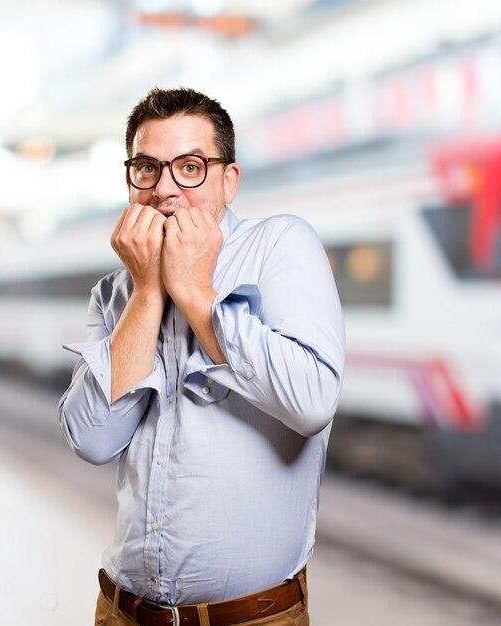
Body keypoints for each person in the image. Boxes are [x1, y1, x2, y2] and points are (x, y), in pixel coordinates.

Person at [58, 87, 345, 626]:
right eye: (147, 167)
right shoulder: (115, 291)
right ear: (130, 181)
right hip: (121, 612)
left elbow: (311, 402)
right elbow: (93, 440)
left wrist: (193, 292)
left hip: (252, 618)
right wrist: (147, 294)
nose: (165, 189)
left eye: (190, 167)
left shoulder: (281, 245)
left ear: (227, 181)